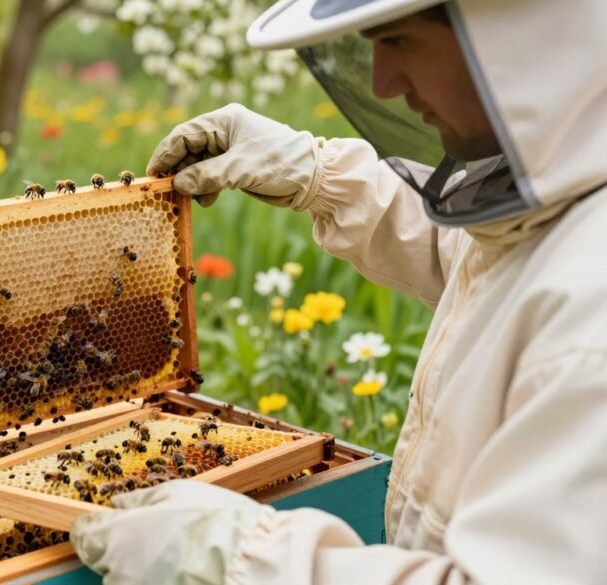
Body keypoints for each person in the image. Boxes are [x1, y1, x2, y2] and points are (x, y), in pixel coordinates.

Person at [70, 0, 607, 583]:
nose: (382, 81)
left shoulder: (591, 327)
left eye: (398, 40)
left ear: (516, 36)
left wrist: (244, 558)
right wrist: (318, 177)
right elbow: (488, 265)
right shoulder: (566, 208)